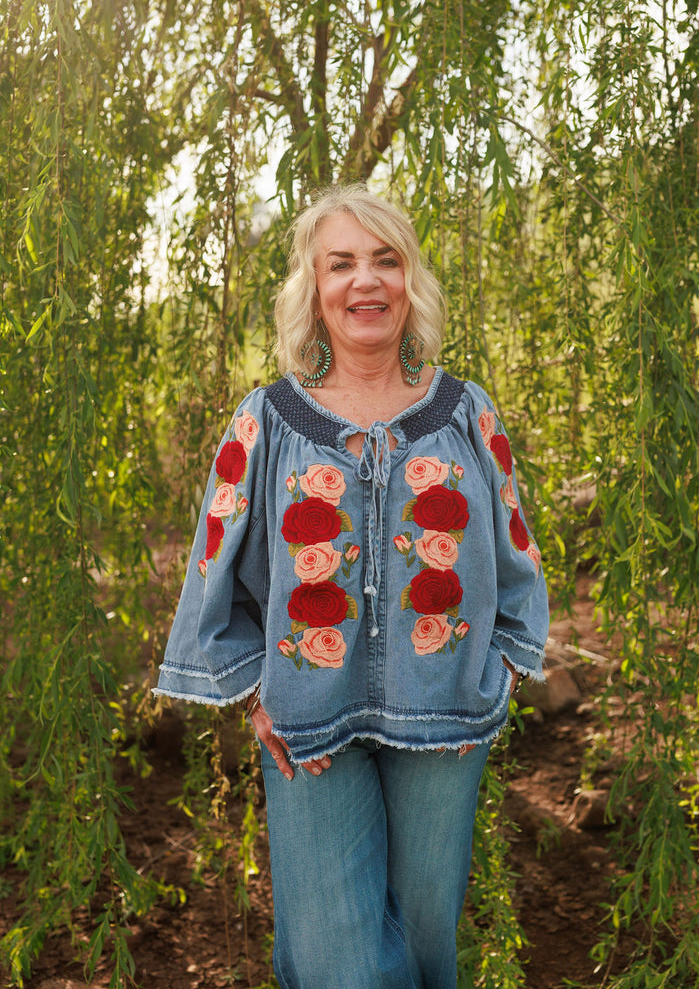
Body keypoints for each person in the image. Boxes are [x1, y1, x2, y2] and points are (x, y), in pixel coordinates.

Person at [154, 184, 549, 989]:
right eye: (342, 264)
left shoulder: (467, 413)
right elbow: (212, 561)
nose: (365, 282)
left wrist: (500, 666)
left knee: (431, 941)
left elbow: (515, 552)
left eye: (385, 260)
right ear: (314, 288)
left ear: (410, 282)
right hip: (309, 722)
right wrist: (252, 692)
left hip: (448, 717)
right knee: (342, 960)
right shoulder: (266, 419)